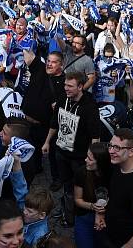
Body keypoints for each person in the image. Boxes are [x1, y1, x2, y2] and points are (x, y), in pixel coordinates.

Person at [42, 72, 101, 227]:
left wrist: (91, 155)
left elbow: (95, 136)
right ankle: (68, 211)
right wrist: (47, 142)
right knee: (67, 185)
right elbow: (55, 122)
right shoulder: (63, 99)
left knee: (80, 187)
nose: (66, 88)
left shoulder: (90, 106)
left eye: (70, 86)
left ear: (81, 87)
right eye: (65, 85)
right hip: (61, 152)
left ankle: (78, 215)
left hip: (79, 157)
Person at [96, 128, 133, 248]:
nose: (111, 151)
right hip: (109, 233)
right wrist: (100, 213)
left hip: (124, 241)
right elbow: (109, 192)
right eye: (110, 145)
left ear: (131, 151)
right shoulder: (117, 163)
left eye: (117, 147)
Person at [73, 142, 112, 248]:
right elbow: (77, 199)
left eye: (90, 159)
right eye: (87, 156)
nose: (85, 160)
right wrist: (93, 207)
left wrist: (102, 212)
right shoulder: (81, 173)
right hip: (84, 216)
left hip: (106, 217)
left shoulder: (111, 174)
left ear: (100, 163)